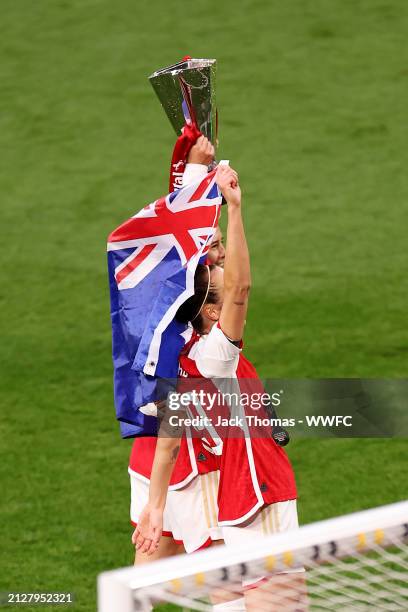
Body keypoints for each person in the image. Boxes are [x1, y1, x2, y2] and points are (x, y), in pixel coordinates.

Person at [134, 164, 307, 611]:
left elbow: (168, 448)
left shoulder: (175, 358)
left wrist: (155, 508)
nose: (220, 264)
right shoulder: (216, 357)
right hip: (257, 490)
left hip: (230, 498)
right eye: (214, 274)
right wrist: (235, 207)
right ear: (211, 313)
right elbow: (242, 289)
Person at [129, 136, 226, 564]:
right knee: (226, 584)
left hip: (150, 458)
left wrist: (196, 176)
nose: (221, 253)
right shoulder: (190, 332)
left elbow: (178, 241)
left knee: (143, 581)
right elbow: (234, 284)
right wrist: (194, 178)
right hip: (187, 464)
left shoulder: (163, 303)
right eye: (215, 246)